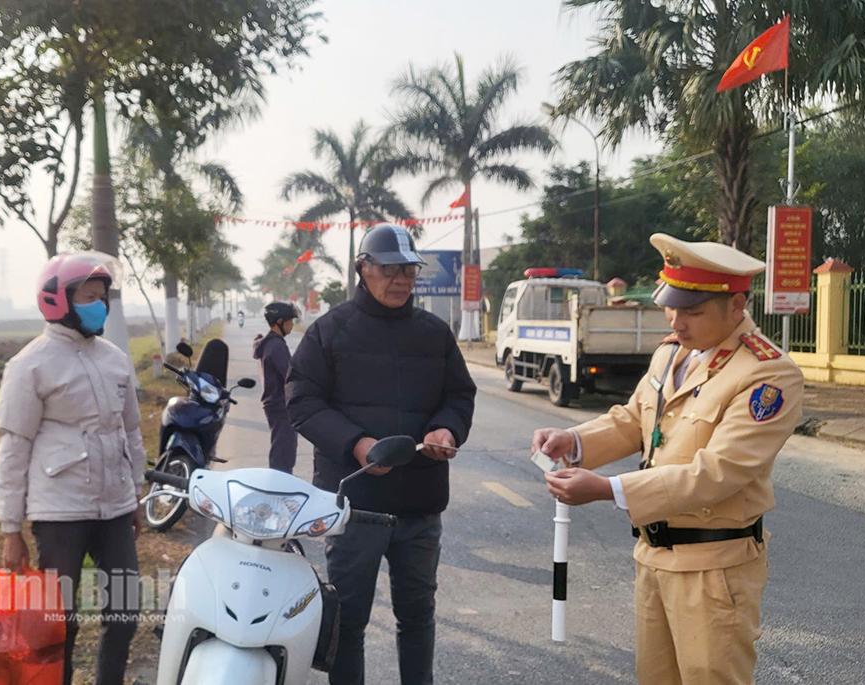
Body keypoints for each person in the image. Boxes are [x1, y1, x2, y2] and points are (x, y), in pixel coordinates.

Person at [533, 233, 803, 685]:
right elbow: (634, 418)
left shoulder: (767, 375)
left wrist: (608, 489)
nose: (676, 321)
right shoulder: (672, 354)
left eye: (692, 311)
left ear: (737, 306)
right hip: (654, 557)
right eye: (671, 306)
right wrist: (573, 440)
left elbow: (718, 473)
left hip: (714, 570)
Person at [287, 223, 477, 685]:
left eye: (409, 271)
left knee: (417, 617)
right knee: (348, 623)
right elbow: (302, 401)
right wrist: (357, 443)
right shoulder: (329, 331)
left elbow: (459, 395)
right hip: (355, 508)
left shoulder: (434, 333)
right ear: (363, 269)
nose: (401, 281)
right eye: (390, 270)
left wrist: (446, 429)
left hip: (419, 506)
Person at [0, 252, 147, 685]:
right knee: (59, 621)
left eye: (103, 297)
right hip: (60, 513)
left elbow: (130, 431)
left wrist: (135, 493)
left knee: (125, 610)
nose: (99, 305)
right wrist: (10, 527)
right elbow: (14, 448)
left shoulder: (114, 358)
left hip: (115, 508)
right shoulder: (29, 365)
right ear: (57, 301)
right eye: (89, 297)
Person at [253, 301, 300, 473]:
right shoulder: (276, 346)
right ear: (280, 321)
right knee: (284, 452)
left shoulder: (270, 343)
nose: (292, 325)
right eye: (290, 321)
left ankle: (279, 484)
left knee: (281, 447)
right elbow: (290, 375)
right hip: (280, 405)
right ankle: (279, 488)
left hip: (274, 403)